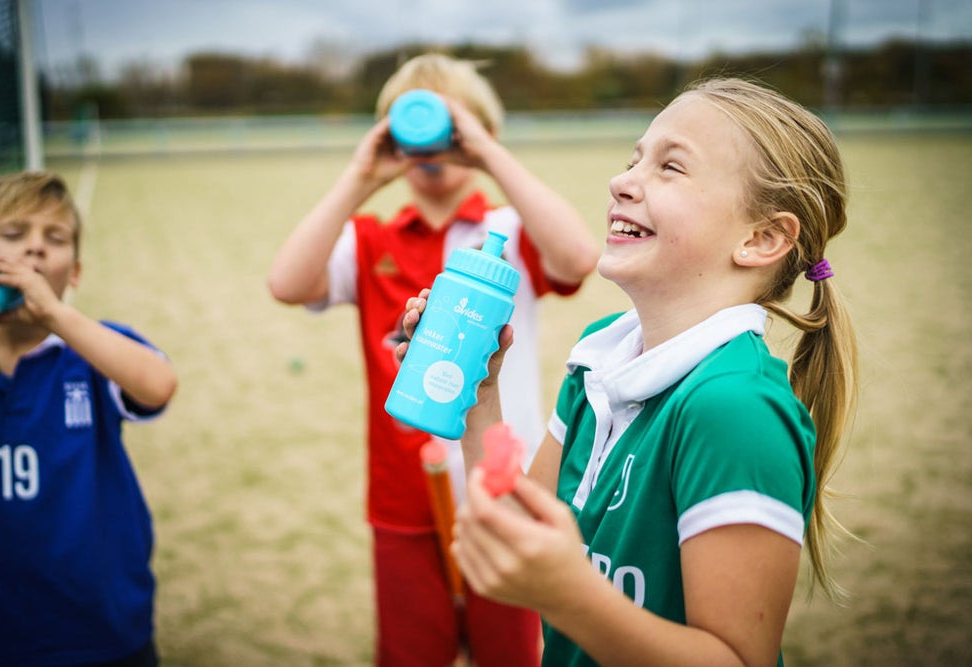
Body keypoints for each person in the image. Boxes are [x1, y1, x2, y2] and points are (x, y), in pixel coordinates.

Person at [397, 77, 859, 667]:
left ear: (762, 238)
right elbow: (520, 526)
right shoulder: (601, 356)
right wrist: (478, 395)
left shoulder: (735, 410)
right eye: (633, 159)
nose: (623, 181)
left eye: (671, 167)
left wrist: (570, 594)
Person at [268, 53, 599, 665]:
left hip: (502, 483)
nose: (438, 144)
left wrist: (488, 153)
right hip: (402, 494)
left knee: (513, 654)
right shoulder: (371, 238)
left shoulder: (512, 231)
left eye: (458, 127)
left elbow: (579, 257)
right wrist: (363, 176)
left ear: (482, 136)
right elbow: (288, 283)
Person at [0, 171, 178, 667]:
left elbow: (157, 384)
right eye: (14, 235)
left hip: (100, 628)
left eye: (55, 239)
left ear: (76, 272)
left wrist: (56, 316)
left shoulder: (91, 347)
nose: (35, 251)